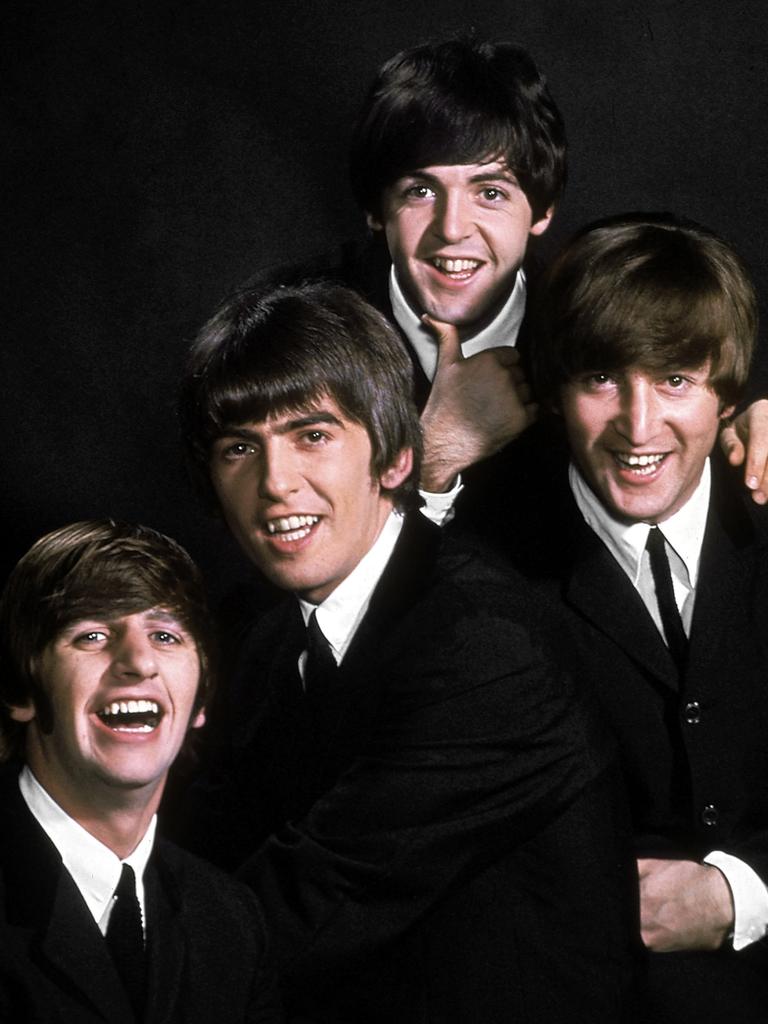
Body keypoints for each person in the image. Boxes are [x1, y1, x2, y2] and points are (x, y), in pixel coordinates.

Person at [176, 280, 638, 1023]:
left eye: (312, 435)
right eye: (240, 448)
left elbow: (309, 904)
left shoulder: (483, 645)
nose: (275, 484)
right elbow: (204, 849)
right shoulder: (268, 642)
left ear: (395, 458)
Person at [259, 36, 768, 513]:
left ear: (542, 211)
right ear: (376, 209)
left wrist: (743, 430)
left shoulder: (592, 313)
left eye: (491, 192)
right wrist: (434, 451)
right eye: (420, 191)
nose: (452, 228)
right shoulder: (285, 330)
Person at [478, 213, 768, 1022]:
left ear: (729, 391)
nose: (639, 429)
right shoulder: (482, 558)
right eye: (602, 379)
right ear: (554, 390)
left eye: (675, 379)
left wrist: (739, 892)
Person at [0, 520, 282, 1023]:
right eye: (91, 635)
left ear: (201, 702)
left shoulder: (232, 923)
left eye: (165, 635)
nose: (138, 662)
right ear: (21, 692)